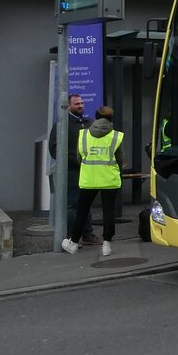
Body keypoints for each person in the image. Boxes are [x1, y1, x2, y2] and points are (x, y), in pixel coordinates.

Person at [62, 105, 125, 256]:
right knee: (108, 212)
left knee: (82, 211)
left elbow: (79, 157)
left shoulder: (84, 135)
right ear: (111, 119)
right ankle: (107, 245)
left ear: (96, 117)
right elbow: (120, 159)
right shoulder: (116, 136)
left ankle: (74, 243)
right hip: (109, 179)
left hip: (88, 179)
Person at [48, 93, 99, 246]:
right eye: (77, 104)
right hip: (72, 171)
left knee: (87, 203)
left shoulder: (89, 123)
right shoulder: (62, 125)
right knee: (73, 205)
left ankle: (87, 234)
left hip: (88, 170)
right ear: (69, 106)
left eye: (82, 103)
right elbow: (54, 149)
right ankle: (71, 236)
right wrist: (74, 161)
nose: (81, 106)